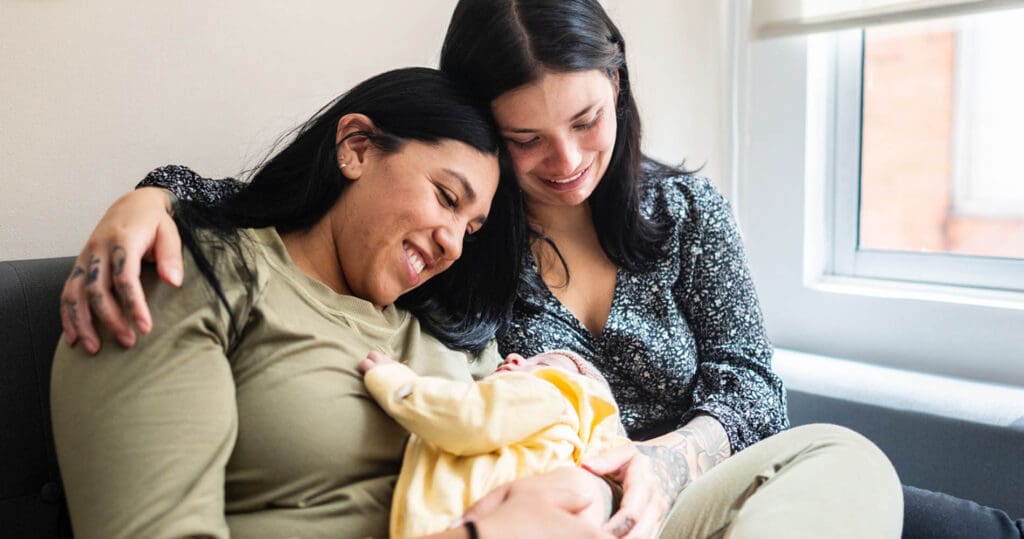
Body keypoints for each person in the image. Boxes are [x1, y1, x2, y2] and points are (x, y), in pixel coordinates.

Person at [59, 1, 908, 537]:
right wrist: (155, 195)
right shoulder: (457, 264)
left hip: (672, 491)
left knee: (843, 457)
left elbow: (751, 386)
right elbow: (265, 211)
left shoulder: (675, 216)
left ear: (617, 84)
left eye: (585, 119)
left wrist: (658, 464)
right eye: (526, 140)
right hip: (548, 508)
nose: (566, 160)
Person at [51, 67, 623, 539]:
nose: (453, 244)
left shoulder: (447, 332)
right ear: (356, 148)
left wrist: (600, 491)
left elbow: (561, 453)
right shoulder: (197, 274)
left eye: (470, 230)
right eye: (447, 197)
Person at [359, 348, 627, 537]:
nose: (514, 357)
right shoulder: (560, 448)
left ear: (574, 389)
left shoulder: (548, 395)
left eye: (544, 363)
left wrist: (401, 384)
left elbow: (469, 416)